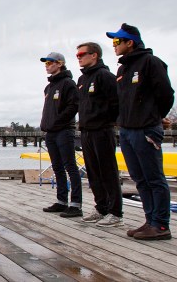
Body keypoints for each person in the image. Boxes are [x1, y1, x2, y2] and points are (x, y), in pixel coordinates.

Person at [107, 23, 175, 241]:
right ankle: (150, 220)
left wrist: (154, 117)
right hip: (127, 130)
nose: (114, 45)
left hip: (145, 128)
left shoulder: (150, 63)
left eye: (118, 42)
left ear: (130, 42)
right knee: (140, 179)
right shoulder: (122, 69)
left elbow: (166, 94)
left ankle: (161, 225)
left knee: (154, 177)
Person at [75, 42, 123, 227]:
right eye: (77, 55)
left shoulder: (105, 76)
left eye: (82, 54)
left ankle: (115, 212)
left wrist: (106, 121)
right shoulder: (82, 80)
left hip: (102, 130)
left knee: (108, 172)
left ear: (94, 55)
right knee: (93, 172)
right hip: (86, 131)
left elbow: (116, 103)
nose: (79, 57)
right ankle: (101, 207)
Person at [38, 52, 82, 218]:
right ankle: (61, 200)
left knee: (70, 166)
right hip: (51, 132)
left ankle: (76, 204)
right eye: (45, 64)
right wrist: (46, 125)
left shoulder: (68, 83)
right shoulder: (48, 87)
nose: (47, 66)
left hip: (64, 130)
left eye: (50, 63)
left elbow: (73, 106)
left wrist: (58, 122)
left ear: (60, 63)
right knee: (57, 167)